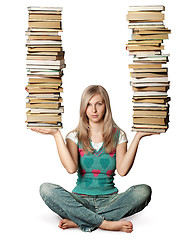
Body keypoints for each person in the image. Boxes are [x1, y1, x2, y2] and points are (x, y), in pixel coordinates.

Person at [30, 85, 158, 233]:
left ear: (106, 106)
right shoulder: (74, 136)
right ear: (84, 108)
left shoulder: (119, 135)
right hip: (79, 201)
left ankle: (79, 221)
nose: (94, 110)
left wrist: (138, 137)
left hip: (110, 200)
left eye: (99, 104)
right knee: (46, 189)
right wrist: (56, 134)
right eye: (89, 105)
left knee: (143, 191)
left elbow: (123, 171)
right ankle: (106, 223)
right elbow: (71, 169)